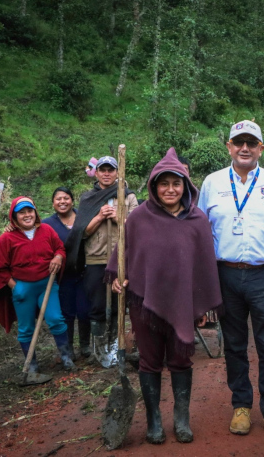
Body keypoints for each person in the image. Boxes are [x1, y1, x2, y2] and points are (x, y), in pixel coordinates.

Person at [198, 119, 264, 443]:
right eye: (238, 142)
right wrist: (203, 282)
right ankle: (241, 405)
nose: (244, 148)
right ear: (229, 147)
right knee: (233, 345)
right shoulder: (212, 183)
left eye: (251, 143)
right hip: (225, 275)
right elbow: (199, 232)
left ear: (261, 148)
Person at [108, 147, 223, 444]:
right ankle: (154, 420)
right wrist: (119, 280)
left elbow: (204, 266)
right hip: (144, 303)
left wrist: (201, 305)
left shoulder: (197, 219)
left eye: (176, 183)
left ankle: (181, 418)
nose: (170, 189)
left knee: (181, 362)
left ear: (186, 186)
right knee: (149, 362)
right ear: (153, 186)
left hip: (183, 304)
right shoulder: (138, 218)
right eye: (164, 183)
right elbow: (124, 257)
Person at [0, 197, 75, 376]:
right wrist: (15, 287)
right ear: (14, 217)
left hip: (47, 284)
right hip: (23, 287)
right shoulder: (6, 239)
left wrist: (58, 257)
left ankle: (66, 357)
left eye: (30, 211)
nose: (27, 215)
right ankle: (31, 366)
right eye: (22, 213)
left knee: (55, 319)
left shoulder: (46, 230)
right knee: (26, 328)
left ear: (35, 212)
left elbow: (60, 248)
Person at [64, 156, 138, 367]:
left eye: (111, 170)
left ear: (117, 173)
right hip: (95, 258)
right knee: (96, 305)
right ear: (96, 173)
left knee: (118, 304)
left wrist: (116, 217)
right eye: (102, 170)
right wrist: (98, 218)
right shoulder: (88, 198)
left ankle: (116, 346)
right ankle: (100, 349)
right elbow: (82, 233)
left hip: (121, 257)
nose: (107, 174)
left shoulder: (128, 196)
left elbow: (135, 228)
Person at [42, 187, 91, 358]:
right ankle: (68, 348)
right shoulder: (47, 224)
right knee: (67, 312)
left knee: (85, 310)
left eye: (66, 198)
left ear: (72, 200)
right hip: (63, 275)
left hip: (84, 272)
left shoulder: (83, 218)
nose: (62, 202)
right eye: (58, 199)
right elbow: (28, 230)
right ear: (53, 203)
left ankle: (85, 345)